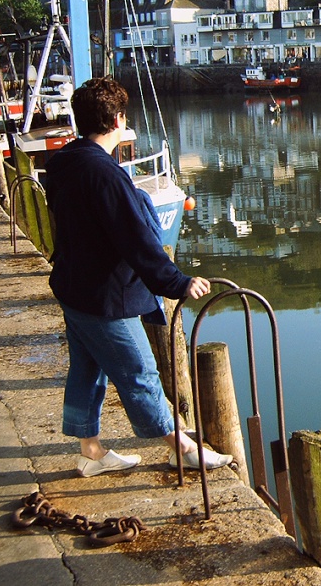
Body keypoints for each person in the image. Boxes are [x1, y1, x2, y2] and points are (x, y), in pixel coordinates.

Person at [44, 77, 232, 477]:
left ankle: (91, 452)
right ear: (118, 120)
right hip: (104, 299)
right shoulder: (107, 175)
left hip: (72, 286)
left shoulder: (62, 163)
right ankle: (180, 448)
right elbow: (136, 240)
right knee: (139, 372)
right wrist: (177, 282)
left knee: (86, 371)